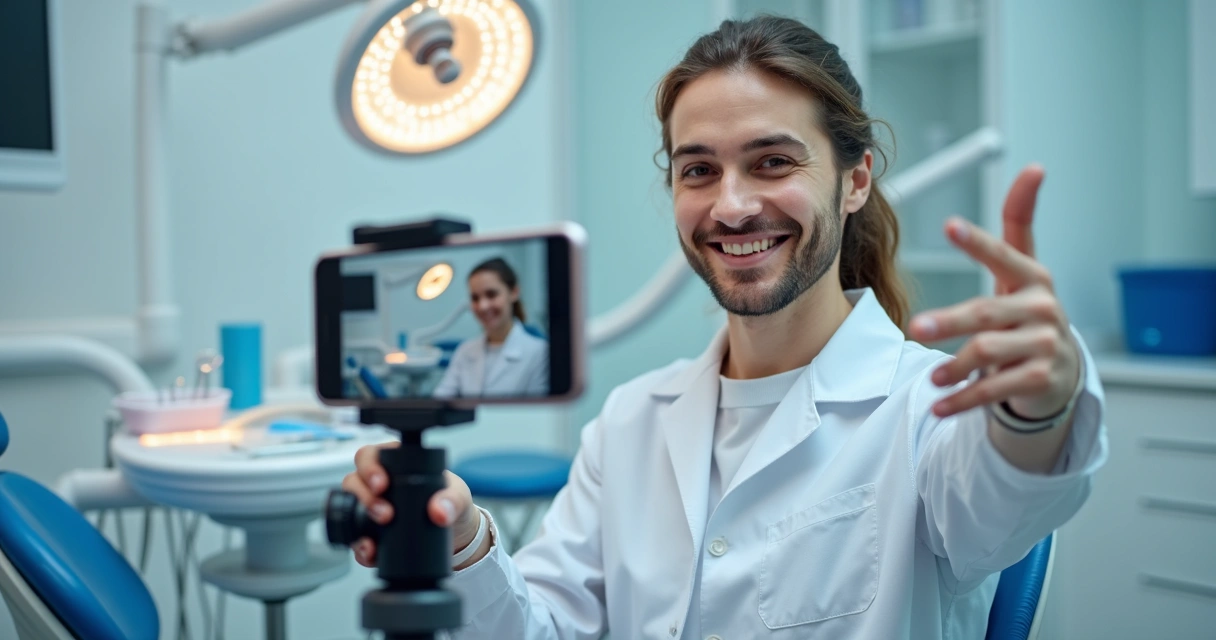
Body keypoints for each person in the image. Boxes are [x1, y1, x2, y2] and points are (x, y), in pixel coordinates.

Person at [343, 16, 1107, 639]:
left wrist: (1037, 403)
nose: (732, 206)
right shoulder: (630, 423)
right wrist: (466, 541)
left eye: (773, 162)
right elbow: (545, 631)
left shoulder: (925, 409)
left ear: (856, 180)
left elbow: (1009, 490)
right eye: (698, 169)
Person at [432, 257, 549, 398]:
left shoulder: (540, 353)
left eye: (491, 294)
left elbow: (539, 412)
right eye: (475, 298)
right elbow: (441, 399)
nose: (482, 306)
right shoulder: (465, 351)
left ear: (514, 292)